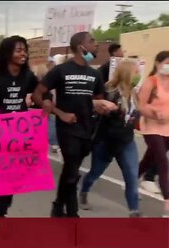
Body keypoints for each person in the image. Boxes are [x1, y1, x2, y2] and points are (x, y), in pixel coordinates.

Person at [32, 32, 116, 218]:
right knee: (71, 169)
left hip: (87, 129)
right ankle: (72, 213)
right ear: (81, 47)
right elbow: (38, 95)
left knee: (71, 170)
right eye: (92, 41)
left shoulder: (94, 74)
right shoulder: (61, 71)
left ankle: (57, 205)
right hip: (67, 128)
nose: (96, 44)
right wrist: (60, 113)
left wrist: (102, 108)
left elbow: (98, 101)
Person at [0, 35, 39, 218]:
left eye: (24, 50)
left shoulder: (28, 76)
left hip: (21, 130)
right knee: (5, 172)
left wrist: (35, 100)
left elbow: (41, 95)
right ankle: (0, 212)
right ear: (8, 53)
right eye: (18, 50)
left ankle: (4, 204)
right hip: (0, 132)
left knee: (16, 175)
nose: (24, 53)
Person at [80, 60, 141, 217]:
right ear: (127, 74)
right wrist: (107, 109)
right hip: (106, 142)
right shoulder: (109, 92)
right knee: (94, 173)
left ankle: (134, 211)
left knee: (132, 177)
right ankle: (84, 191)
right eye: (136, 72)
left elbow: (135, 117)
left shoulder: (134, 93)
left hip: (126, 142)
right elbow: (94, 109)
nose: (138, 75)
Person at [136, 51, 169, 217]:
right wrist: (155, 114)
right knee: (163, 162)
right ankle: (167, 205)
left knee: (150, 158)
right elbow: (141, 106)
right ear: (157, 63)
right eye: (167, 63)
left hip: (167, 129)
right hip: (151, 127)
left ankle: (132, 179)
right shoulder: (151, 82)